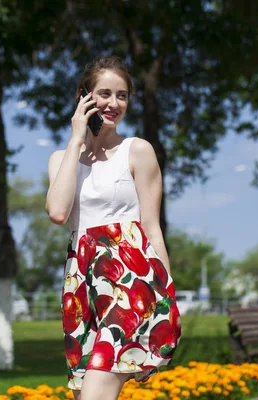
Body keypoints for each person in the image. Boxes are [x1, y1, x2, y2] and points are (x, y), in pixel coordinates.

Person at [46, 56, 181, 400]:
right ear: (84, 97)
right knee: (83, 391)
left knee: (94, 394)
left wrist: (169, 299)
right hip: (82, 285)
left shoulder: (137, 152)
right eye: (104, 93)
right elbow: (59, 213)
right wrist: (77, 140)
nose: (114, 103)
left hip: (131, 281)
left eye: (122, 95)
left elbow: (152, 228)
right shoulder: (62, 160)